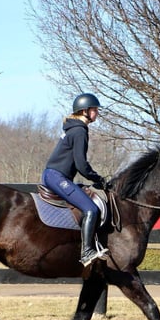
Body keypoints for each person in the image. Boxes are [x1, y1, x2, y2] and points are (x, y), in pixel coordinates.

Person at [42, 92, 110, 266]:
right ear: (85, 111)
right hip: (57, 176)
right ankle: (87, 251)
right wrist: (98, 179)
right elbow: (81, 164)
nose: (97, 112)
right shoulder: (80, 131)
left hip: (55, 175)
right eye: (95, 109)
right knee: (91, 210)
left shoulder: (73, 128)